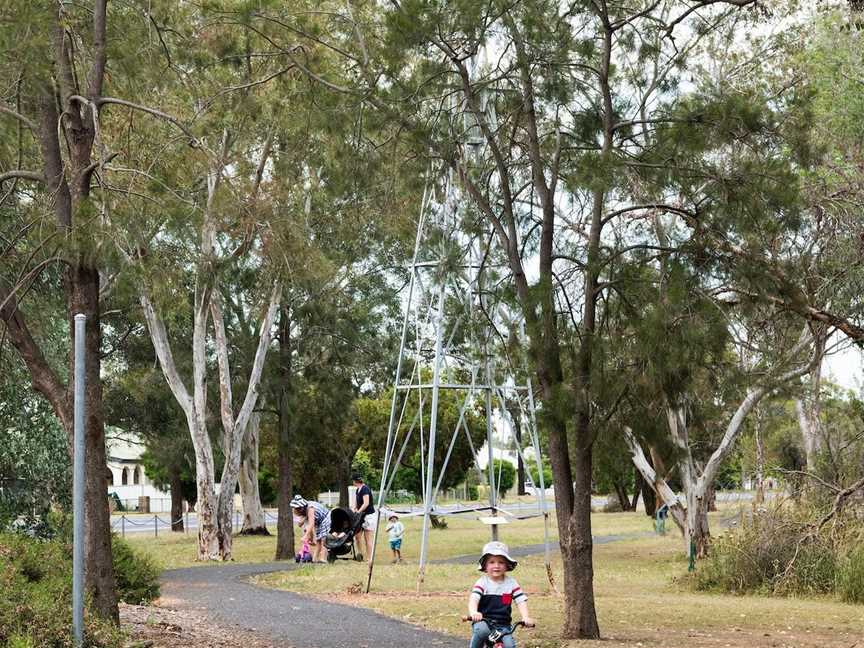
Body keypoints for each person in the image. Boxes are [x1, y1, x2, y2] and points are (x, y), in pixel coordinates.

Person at [467, 541, 533, 648]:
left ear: (507, 565)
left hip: (503, 626)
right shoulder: (482, 582)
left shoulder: (511, 583)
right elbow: (474, 599)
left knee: (510, 645)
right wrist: (474, 612)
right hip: (483, 621)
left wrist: (525, 617)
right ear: (485, 565)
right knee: (482, 631)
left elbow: (521, 601)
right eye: (492, 562)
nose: (496, 566)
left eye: (501, 562)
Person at [289, 495, 331, 563]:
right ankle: (314, 560)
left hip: (325, 518)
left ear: (301, 507)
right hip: (318, 521)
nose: (296, 510)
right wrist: (310, 538)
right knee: (318, 541)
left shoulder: (310, 508)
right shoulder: (302, 511)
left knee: (324, 539)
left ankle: (323, 558)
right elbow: (300, 524)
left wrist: (306, 536)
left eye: (297, 509)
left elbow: (311, 524)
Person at [351, 474, 375, 562]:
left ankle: (369, 558)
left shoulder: (365, 489)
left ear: (355, 481)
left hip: (368, 516)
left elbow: (366, 503)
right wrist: (354, 509)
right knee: (357, 536)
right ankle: (360, 554)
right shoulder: (358, 490)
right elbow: (356, 502)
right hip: (360, 516)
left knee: (367, 538)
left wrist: (359, 511)